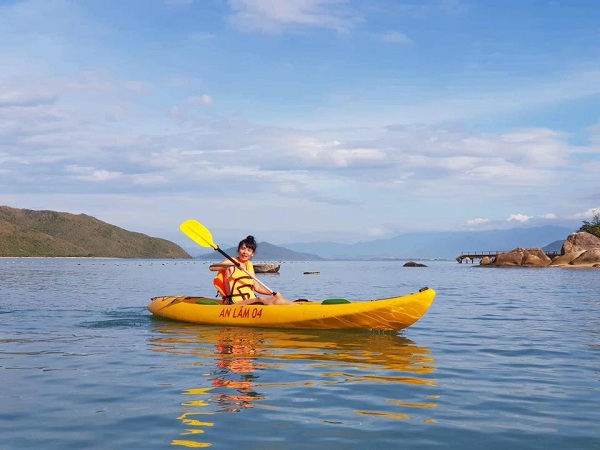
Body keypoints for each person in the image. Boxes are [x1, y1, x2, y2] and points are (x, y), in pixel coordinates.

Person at [209, 235, 293, 305]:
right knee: (260, 299)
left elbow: (257, 287)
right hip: (234, 302)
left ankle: (296, 307)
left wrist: (272, 293)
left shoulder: (249, 265)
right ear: (238, 250)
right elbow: (212, 268)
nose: (245, 252)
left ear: (252, 254)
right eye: (243, 248)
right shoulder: (231, 261)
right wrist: (234, 264)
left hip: (250, 300)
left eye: (249, 250)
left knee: (276, 299)